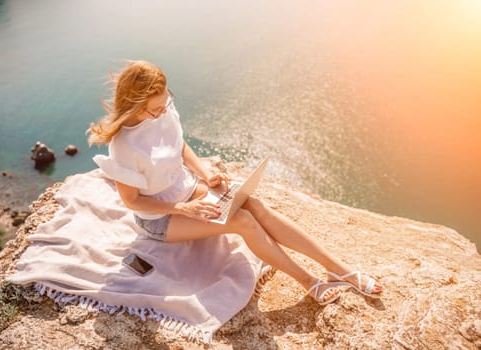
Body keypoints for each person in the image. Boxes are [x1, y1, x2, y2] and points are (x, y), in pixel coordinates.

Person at [86, 60, 383, 305]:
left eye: (166, 104)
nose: (163, 112)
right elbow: (132, 201)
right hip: (161, 217)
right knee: (242, 220)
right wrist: (183, 209)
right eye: (155, 109)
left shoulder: (163, 110)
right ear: (134, 104)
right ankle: (309, 281)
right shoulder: (124, 146)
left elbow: (179, 146)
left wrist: (205, 174)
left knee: (255, 205)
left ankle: (338, 269)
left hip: (191, 189)